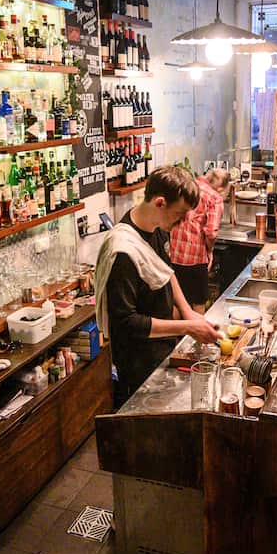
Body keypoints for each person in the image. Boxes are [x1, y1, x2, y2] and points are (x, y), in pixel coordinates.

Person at [96, 166, 222, 406]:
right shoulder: (123, 252)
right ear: (160, 202)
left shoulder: (158, 229)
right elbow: (125, 324)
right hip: (138, 362)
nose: (185, 221)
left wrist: (189, 313)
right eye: (181, 213)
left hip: (161, 347)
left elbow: (167, 272)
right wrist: (186, 327)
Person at [169, 168, 230, 311]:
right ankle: (196, 333)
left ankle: (178, 332)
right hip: (194, 257)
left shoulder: (186, 186)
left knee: (177, 301)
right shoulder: (214, 197)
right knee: (198, 302)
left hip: (173, 254)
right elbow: (211, 232)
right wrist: (210, 251)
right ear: (221, 187)